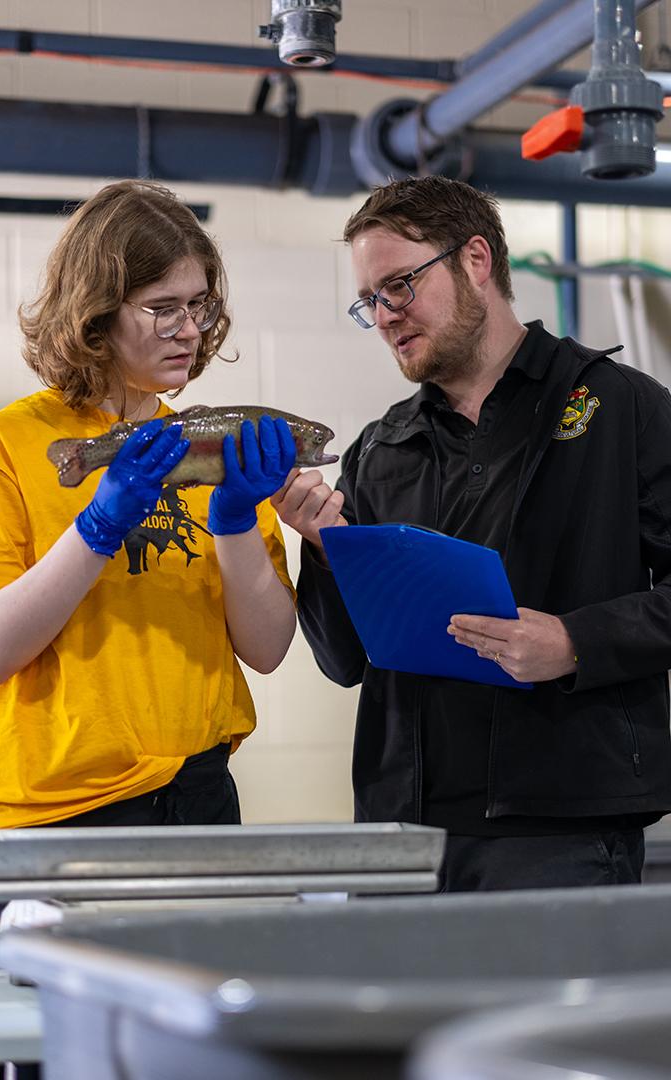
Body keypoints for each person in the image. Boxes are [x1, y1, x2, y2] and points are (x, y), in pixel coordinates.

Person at [0, 180, 297, 1056]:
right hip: (56, 821)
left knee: (187, 1060)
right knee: (49, 1060)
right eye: (164, 308)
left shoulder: (219, 445)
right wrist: (100, 520)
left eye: (202, 308)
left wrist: (232, 520)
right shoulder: (1, 446)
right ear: (96, 314)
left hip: (199, 804)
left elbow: (267, 647)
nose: (191, 330)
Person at [271, 175, 671, 893]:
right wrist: (323, 552)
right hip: (402, 836)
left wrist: (577, 643)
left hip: (559, 837)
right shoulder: (380, 449)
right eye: (370, 301)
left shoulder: (618, 408)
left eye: (400, 285)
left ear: (476, 261)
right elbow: (346, 662)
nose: (386, 315)